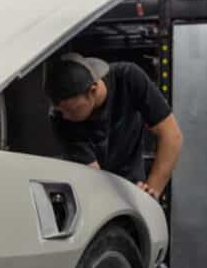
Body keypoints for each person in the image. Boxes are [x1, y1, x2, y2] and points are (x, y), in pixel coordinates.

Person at [45, 53, 183, 200]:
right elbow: (93, 178)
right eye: (60, 110)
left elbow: (171, 135)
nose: (65, 116)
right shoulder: (59, 118)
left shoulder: (128, 78)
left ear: (92, 91)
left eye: (70, 110)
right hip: (99, 192)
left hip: (135, 185)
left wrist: (151, 192)